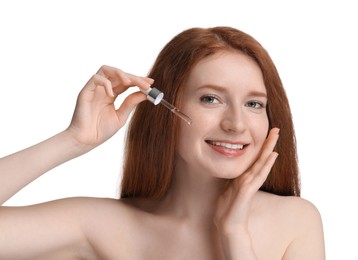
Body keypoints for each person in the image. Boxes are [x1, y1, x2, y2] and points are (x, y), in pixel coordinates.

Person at [0, 26, 325, 259]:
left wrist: (234, 236)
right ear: (166, 110)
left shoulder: (295, 221)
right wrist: (74, 140)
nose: (236, 124)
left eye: (254, 104)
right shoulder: (104, 225)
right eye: (211, 99)